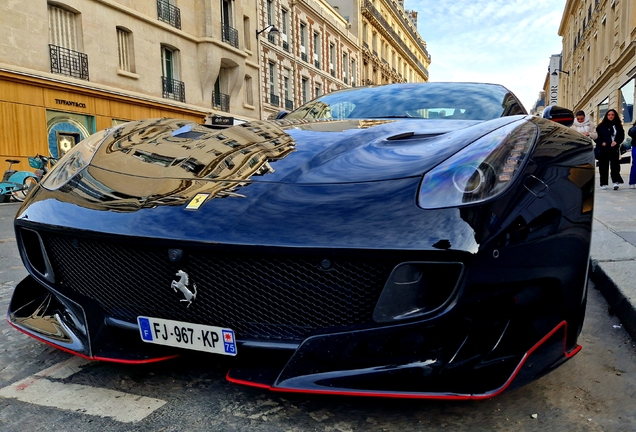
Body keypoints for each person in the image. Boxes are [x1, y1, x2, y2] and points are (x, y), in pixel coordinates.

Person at [596, 109, 625, 190]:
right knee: (603, 166)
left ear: (615, 116)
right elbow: (596, 137)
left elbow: (621, 136)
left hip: (614, 148)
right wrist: (601, 142)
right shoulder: (601, 126)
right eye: (609, 115)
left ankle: (615, 182)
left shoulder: (618, 126)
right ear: (606, 116)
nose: (611, 116)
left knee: (615, 166)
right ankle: (603, 183)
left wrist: (616, 142)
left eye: (612, 115)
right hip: (604, 149)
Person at [629, 122, 636, 188]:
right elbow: (630, 133)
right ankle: (632, 182)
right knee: (635, 164)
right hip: (635, 146)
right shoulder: (634, 128)